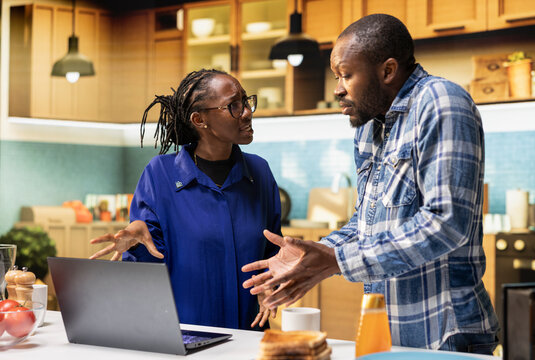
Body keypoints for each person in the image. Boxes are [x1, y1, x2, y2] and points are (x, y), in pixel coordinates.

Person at [242, 14, 499, 354]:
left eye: (346, 75)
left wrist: (336, 261)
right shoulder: (369, 126)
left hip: (445, 334)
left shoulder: (441, 102)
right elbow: (368, 222)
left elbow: (445, 224)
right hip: (388, 331)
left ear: (387, 71)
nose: (337, 89)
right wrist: (315, 253)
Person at [90, 69, 281, 330]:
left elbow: (273, 252)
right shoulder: (160, 174)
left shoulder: (259, 172)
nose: (247, 111)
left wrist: (273, 283)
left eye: (246, 101)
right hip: (188, 338)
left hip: (251, 337)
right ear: (199, 119)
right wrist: (136, 242)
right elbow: (151, 265)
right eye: (234, 106)